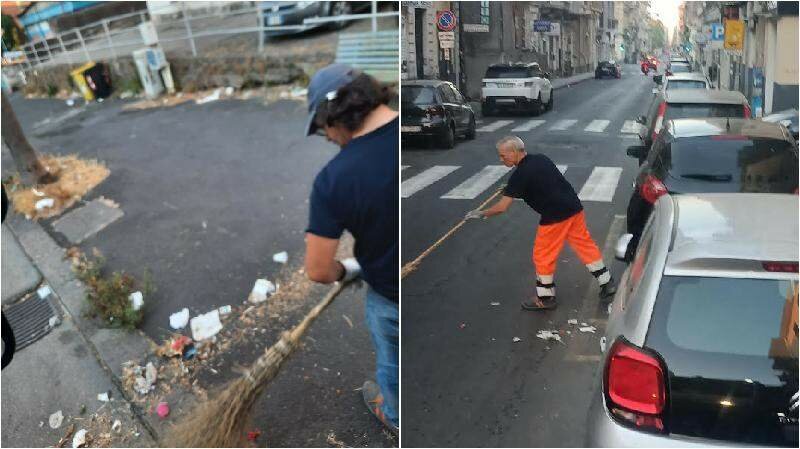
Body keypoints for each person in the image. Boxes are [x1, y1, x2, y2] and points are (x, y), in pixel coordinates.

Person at [302, 64, 399, 433]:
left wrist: (348, 270)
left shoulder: (333, 180)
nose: (326, 137)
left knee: (392, 363)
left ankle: (394, 415)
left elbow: (318, 270)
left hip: (390, 298)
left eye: (322, 128)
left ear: (334, 115)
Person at [465, 135, 616, 310]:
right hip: (573, 208)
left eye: (503, 155)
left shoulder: (520, 175)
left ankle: (545, 297)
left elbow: (501, 207)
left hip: (554, 216)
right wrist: (509, 189)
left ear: (514, 152)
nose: (501, 159)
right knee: (585, 245)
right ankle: (607, 282)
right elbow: (540, 182)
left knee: (543, 255)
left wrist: (481, 213)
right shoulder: (540, 159)